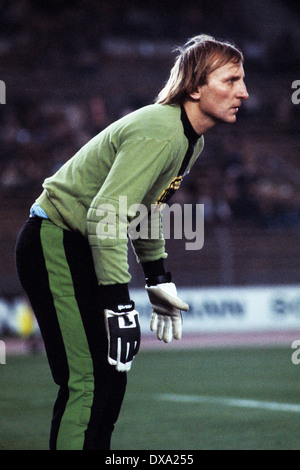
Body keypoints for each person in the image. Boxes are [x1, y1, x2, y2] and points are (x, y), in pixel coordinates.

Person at [15, 34, 249, 450]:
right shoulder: (161, 130)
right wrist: (119, 302)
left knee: (111, 377)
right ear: (195, 87)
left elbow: (145, 211)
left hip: (78, 245)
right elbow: (105, 214)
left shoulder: (190, 141)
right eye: (230, 80)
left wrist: (158, 277)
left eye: (242, 80)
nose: (243, 92)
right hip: (56, 240)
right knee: (86, 381)